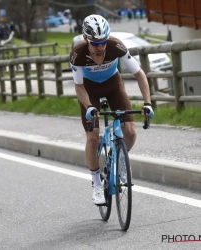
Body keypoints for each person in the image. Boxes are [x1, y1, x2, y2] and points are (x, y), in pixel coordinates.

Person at [69, 14, 154, 205]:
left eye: (103, 42)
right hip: (89, 90)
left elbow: (140, 74)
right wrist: (89, 107)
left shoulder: (116, 46)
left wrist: (147, 102)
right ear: (85, 39)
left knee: (130, 133)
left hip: (113, 85)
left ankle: (119, 158)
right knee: (92, 137)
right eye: (95, 43)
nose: (100, 47)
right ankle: (97, 183)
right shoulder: (78, 55)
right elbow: (79, 87)